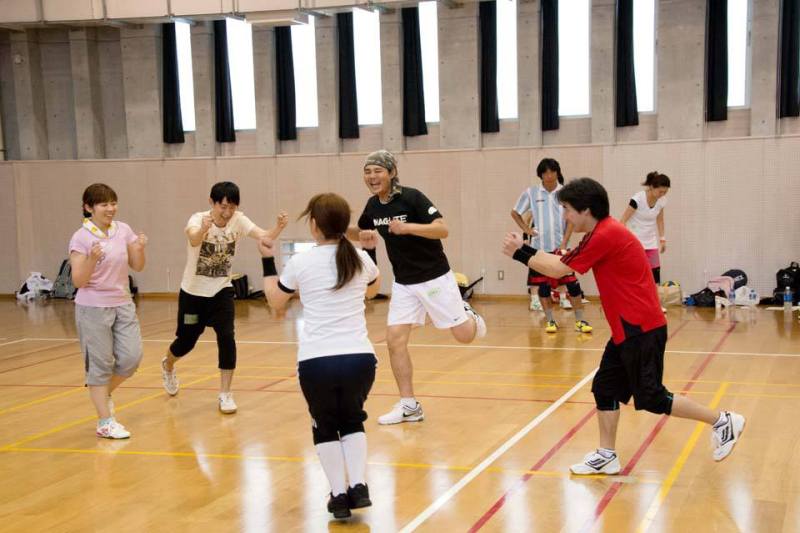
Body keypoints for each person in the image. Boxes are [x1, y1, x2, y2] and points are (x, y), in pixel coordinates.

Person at [502, 177, 745, 474]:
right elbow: (561, 261)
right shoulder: (600, 233)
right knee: (605, 387)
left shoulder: (605, 235)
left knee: (653, 397)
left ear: (585, 210)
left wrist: (520, 251)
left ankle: (723, 421)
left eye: (566, 209)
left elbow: (558, 269)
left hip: (639, 328)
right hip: (626, 328)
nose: (564, 216)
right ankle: (607, 454)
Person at [260, 193, 381, 520]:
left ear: (314, 226)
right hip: (360, 359)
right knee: (352, 419)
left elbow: (275, 301)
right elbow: (372, 289)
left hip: (317, 361)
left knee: (325, 425)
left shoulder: (300, 262)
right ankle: (358, 486)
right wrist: (370, 249)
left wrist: (267, 260)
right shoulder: (359, 258)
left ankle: (339, 496)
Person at [348, 149, 486, 425]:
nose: (372, 176)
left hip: (434, 277)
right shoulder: (373, 206)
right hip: (404, 283)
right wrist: (357, 234)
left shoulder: (412, 197)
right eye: (368, 171)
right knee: (394, 340)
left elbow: (442, 229)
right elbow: (360, 231)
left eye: (378, 170)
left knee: (464, 336)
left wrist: (409, 227)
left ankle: (466, 312)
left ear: (391, 172)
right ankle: (409, 405)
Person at [160, 181, 287, 414]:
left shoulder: (239, 220)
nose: (227, 213)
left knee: (227, 337)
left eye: (231, 208)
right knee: (186, 341)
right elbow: (194, 239)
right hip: (193, 293)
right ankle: (168, 365)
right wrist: (203, 229)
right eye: (223, 207)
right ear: (212, 203)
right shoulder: (197, 219)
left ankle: (225, 393)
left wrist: (277, 228)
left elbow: (265, 237)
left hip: (221, 290)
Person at [69, 183, 147, 439]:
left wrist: (139, 248)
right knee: (100, 366)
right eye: (104, 204)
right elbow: (79, 281)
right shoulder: (81, 237)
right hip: (93, 308)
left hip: (122, 303)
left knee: (131, 358)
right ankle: (105, 421)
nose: (110, 208)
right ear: (88, 208)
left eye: (113, 203)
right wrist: (91, 258)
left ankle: (104, 392)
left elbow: (138, 266)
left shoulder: (122, 230)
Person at [510, 158, 592, 333]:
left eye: (552, 171)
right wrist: (526, 230)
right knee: (543, 287)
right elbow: (515, 212)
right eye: (545, 172)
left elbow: (571, 220)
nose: (549, 175)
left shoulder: (565, 193)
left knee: (573, 285)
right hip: (538, 249)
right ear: (540, 174)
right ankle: (550, 321)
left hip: (560, 249)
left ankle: (580, 321)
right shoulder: (531, 193)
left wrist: (564, 242)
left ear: (557, 172)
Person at [620, 171, 670, 285]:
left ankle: (654, 302)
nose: (662, 194)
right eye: (660, 191)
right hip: (635, 241)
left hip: (650, 241)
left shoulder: (662, 201)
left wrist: (662, 239)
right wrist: (623, 240)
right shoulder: (637, 199)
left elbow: (660, 220)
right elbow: (623, 220)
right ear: (652, 187)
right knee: (635, 273)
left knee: (655, 273)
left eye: (665, 192)